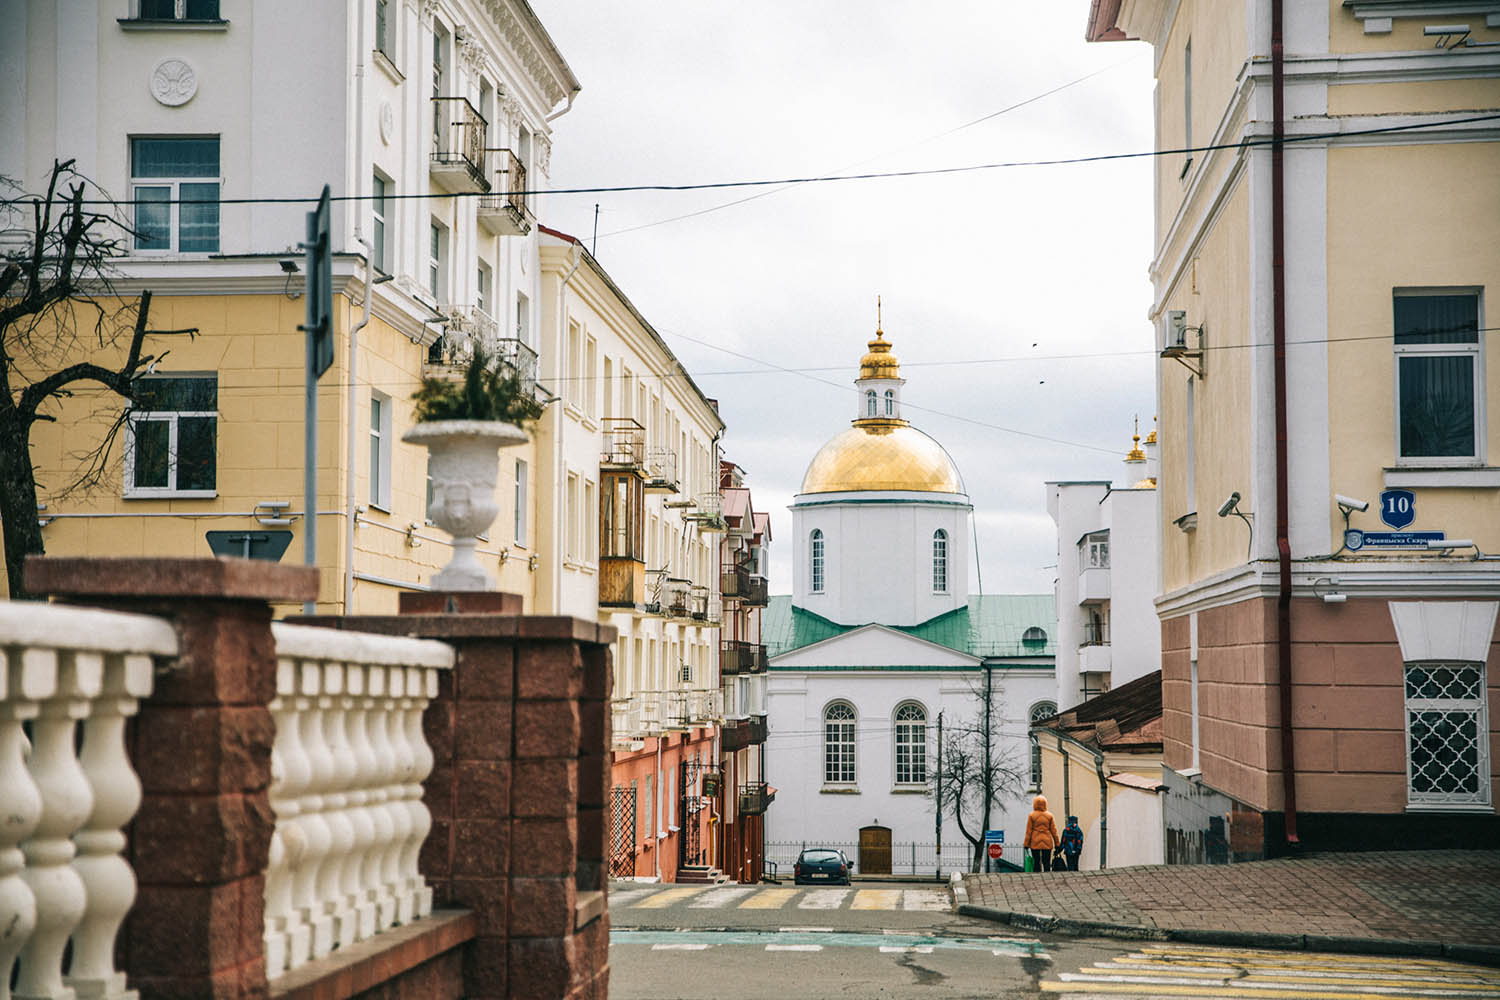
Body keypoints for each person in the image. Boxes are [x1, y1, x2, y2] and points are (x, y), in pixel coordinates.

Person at [1023, 794, 1059, 873]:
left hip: (1035, 841)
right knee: (1046, 862)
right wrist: (1057, 843)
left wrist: (1026, 844)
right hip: (1047, 841)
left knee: (1036, 862)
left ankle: (1037, 876)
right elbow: (1054, 831)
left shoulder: (1032, 815)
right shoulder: (1050, 815)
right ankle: (1047, 875)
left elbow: (1029, 831)